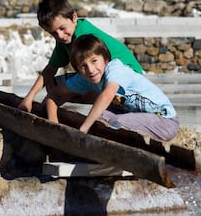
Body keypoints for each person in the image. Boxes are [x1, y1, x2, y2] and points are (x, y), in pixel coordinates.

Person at [18, 0, 143, 113]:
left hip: (127, 80)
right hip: (103, 78)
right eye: (53, 33)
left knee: (59, 90)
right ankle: (51, 115)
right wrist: (29, 98)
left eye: (62, 28)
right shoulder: (65, 40)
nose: (60, 35)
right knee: (53, 84)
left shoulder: (84, 37)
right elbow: (50, 70)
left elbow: (99, 70)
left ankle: (55, 118)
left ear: (74, 17)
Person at [46, 34, 179, 141]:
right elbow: (54, 95)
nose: (91, 70)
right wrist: (54, 124)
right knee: (101, 119)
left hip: (164, 121)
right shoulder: (85, 77)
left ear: (105, 59)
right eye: (83, 66)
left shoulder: (115, 68)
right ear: (78, 69)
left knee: (115, 122)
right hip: (135, 116)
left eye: (94, 61)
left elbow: (107, 94)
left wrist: (83, 129)